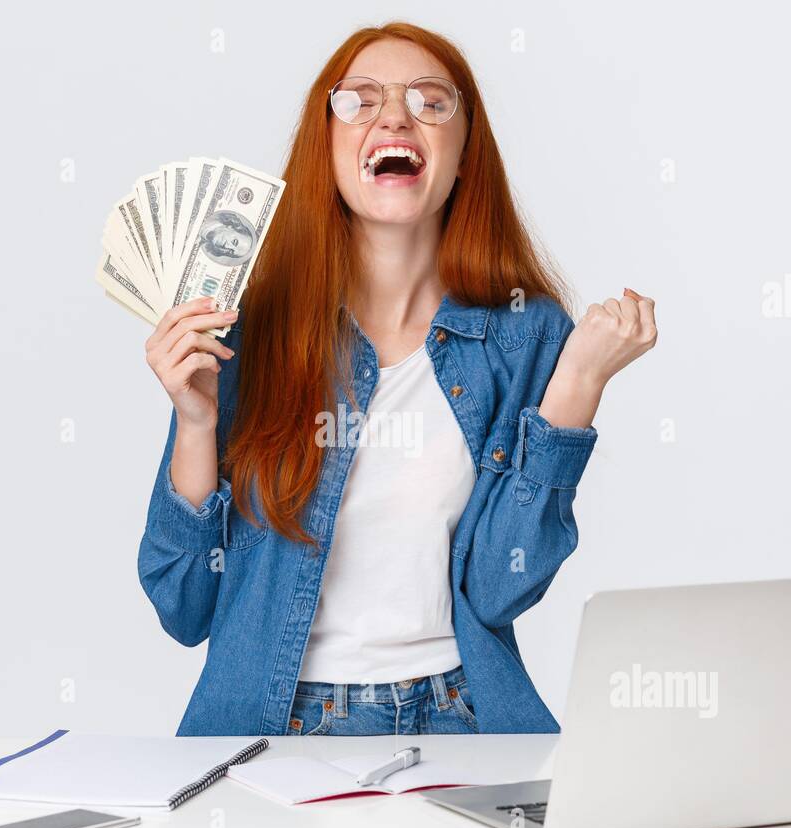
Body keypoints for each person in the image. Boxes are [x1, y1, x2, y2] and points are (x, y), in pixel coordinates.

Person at [139, 21, 656, 736]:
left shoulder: (523, 332)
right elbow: (184, 607)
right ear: (326, 149)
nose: (394, 116)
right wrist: (196, 422)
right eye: (359, 101)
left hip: (461, 719)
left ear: (464, 155)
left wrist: (575, 393)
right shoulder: (244, 330)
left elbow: (502, 589)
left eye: (430, 101)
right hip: (277, 729)